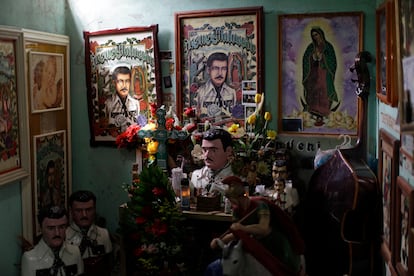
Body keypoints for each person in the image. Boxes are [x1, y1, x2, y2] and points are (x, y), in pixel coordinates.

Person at [206, 176, 302, 275]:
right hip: (253, 244)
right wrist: (220, 241)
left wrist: (242, 228)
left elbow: (263, 228)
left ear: (240, 196)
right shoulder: (236, 211)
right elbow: (235, 233)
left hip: (272, 243)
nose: (230, 203)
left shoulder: (259, 205)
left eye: (231, 200)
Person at [21, 205, 84, 275]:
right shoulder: (30, 258)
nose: (57, 233)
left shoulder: (75, 252)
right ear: (40, 228)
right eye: (51, 228)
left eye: (61, 227)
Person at [66, 190, 112, 270]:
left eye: (88, 210)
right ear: (71, 211)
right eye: (79, 210)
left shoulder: (104, 234)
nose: (84, 215)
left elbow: (108, 264)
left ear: (94, 209)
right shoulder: (64, 237)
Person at [302, 27, 339, 126]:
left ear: (321, 34)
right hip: (313, 73)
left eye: (316, 35)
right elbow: (305, 59)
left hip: (324, 73)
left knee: (324, 89)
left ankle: (324, 110)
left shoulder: (328, 47)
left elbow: (333, 61)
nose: (315, 37)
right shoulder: (311, 47)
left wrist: (323, 58)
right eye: (313, 36)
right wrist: (312, 57)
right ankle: (313, 109)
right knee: (314, 89)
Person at [190, 128, 234, 196]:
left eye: (213, 150)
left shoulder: (235, 180)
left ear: (228, 151)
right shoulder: (196, 176)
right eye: (204, 150)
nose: (207, 155)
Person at [196, 52, 237, 120]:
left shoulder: (231, 92)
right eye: (216, 68)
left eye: (224, 68)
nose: (220, 73)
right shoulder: (201, 92)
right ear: (209, 70)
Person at [105, 66, 140, 132]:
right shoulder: (108, 103)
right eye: (120, 81)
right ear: (114, 83)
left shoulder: (135, 103)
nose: (124, 85)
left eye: (127, 81)